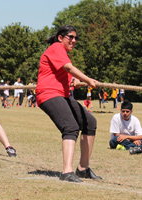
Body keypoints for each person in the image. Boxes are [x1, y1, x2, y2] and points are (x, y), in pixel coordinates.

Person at [36, 25, 101, 182]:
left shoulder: (62, 53)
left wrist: (74, 81)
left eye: (75, 38)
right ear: (60, 38)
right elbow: (68, 67)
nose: (73, 40)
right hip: (48, 94)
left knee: (90, 122)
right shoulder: (56, 47)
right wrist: (87, 79)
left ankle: (83, 169)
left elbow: (61, 73)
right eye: (70, 37)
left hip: (62, 94)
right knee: (71, 126)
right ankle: (66, 172)